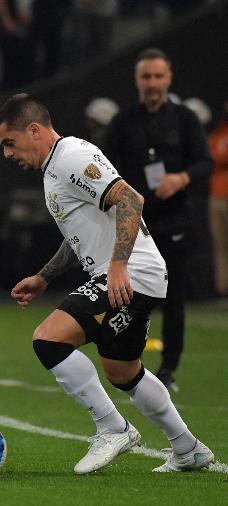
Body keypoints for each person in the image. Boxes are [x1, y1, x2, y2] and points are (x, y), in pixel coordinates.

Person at [0, 93, 214, 474]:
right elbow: (76, 231)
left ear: (33, 130)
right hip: (132, 273)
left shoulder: (71, 157)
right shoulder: (54, 168)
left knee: (48, 339)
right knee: (123, 371)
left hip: (132, 272)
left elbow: (130, 199)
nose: (6, 154)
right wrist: (45, 276)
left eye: (8, 143)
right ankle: (188, 449)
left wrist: (117, 265)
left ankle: (113, 428)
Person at [101, 48, 213, 391]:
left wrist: (181, 178)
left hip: (175, 219)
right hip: (136, 224)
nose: (152, 83)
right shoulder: (122, 122)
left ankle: (168, 370)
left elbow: (204, 162)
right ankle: (130, 365)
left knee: (174, 298)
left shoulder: (184, 118)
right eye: (146, 76)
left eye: (158, 76)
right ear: (137, 80)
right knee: (129, 295)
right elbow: (104, 164)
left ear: (169, 79)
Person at [208, 100, 228, 296]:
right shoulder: (218, 134)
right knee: (220, 246)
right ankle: (223, 290)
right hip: (217, 196)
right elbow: (209, 157)